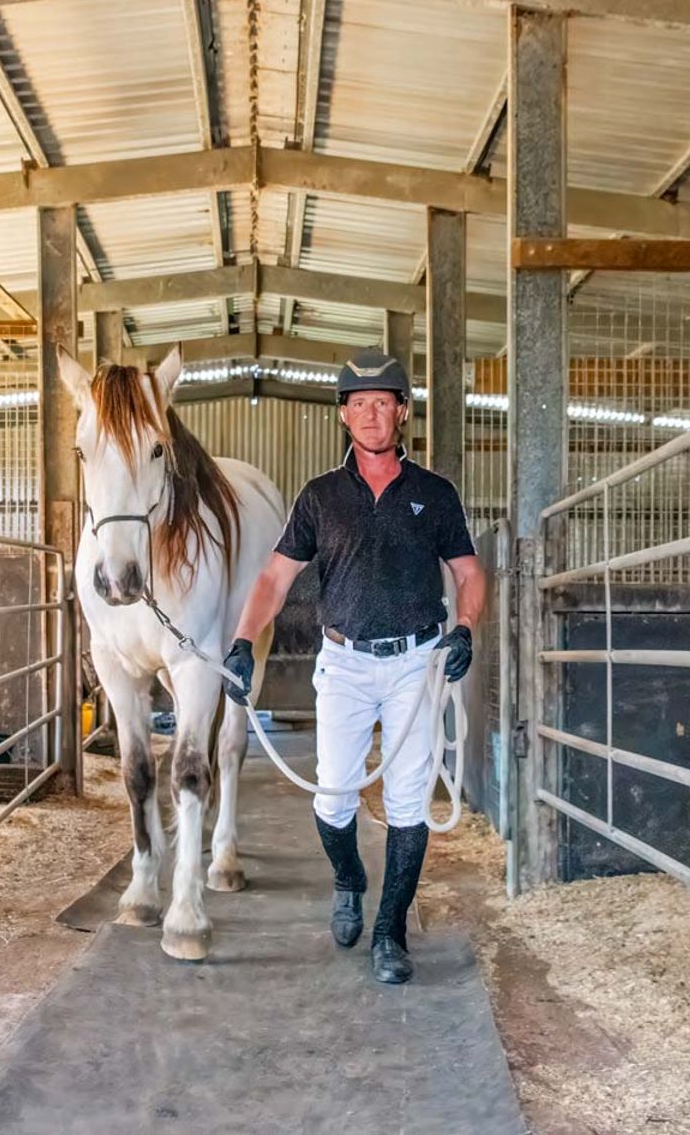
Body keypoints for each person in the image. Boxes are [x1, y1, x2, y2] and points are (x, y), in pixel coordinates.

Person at [222, 348, 487, 984]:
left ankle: (390, 932)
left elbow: (469, 573)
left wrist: (465, 629)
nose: (371, 414)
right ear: (344, 415)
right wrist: (242, 640)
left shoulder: (434, 494)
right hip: (343, 661)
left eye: (382, 403)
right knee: (334, 794)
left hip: (415, 662)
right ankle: (348, 877)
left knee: (408, 801)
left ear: (401, 412)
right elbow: (274, 579)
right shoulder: (320, 497)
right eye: (360, 404)